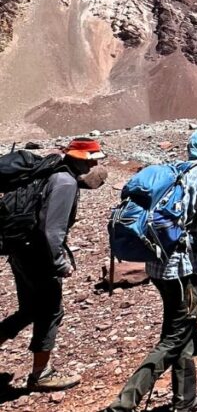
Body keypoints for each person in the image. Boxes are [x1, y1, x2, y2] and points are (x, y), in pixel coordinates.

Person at [106, 128, 197, 412]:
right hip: (184, 267)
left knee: (183, 331)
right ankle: (124, 403)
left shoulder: (178, 170)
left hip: (157, 264)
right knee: (173, 338)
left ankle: (186, 399)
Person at [0, 138, 108, 392]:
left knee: (28, 310)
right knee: (50, 311)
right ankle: (41, 373)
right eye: (93, 159)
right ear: (83, 160)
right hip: (38, 256)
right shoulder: (65, 182)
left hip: (20, 248)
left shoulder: (49, 170)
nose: (95, 164)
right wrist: (60, 263)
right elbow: (52, 230)